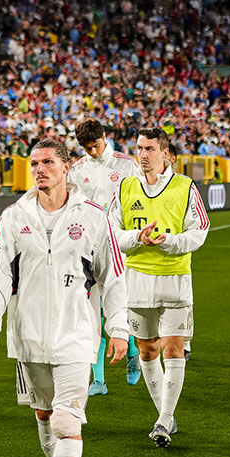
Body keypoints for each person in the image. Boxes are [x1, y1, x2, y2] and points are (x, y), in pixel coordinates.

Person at [0, 139, 128, 457]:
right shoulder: (13, 216)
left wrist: (118, 327)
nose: (39, 169)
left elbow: (113, 276)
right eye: (34, 163)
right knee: (45, 418)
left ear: (66, 168)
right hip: (27, 337)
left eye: (47, 162)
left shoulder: (94, 217)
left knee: (65, 420)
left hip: (76, 336)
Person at [112, 126, 209, 447]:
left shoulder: (185, 186)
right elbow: (111, 230)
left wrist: (168, 241)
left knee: (173, 348)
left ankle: (164, 420)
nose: (143, 154)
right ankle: (164, 416)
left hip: (175, 280)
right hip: (136, 280)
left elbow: (199, 231)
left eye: (150, 149)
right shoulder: (125, 187)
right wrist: (136, 238)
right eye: (139, 148)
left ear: (166, 154)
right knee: (147, 350)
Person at [70, 119, 142, 396]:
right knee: (93, 314)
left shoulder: (127, 165)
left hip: (122, 246)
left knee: (121, 306)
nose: (94, 152)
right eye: (88, 148)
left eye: (97, 145)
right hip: (88, 249)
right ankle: (98, 380)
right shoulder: (77, 170)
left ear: (105, 137)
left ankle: (132, 351)